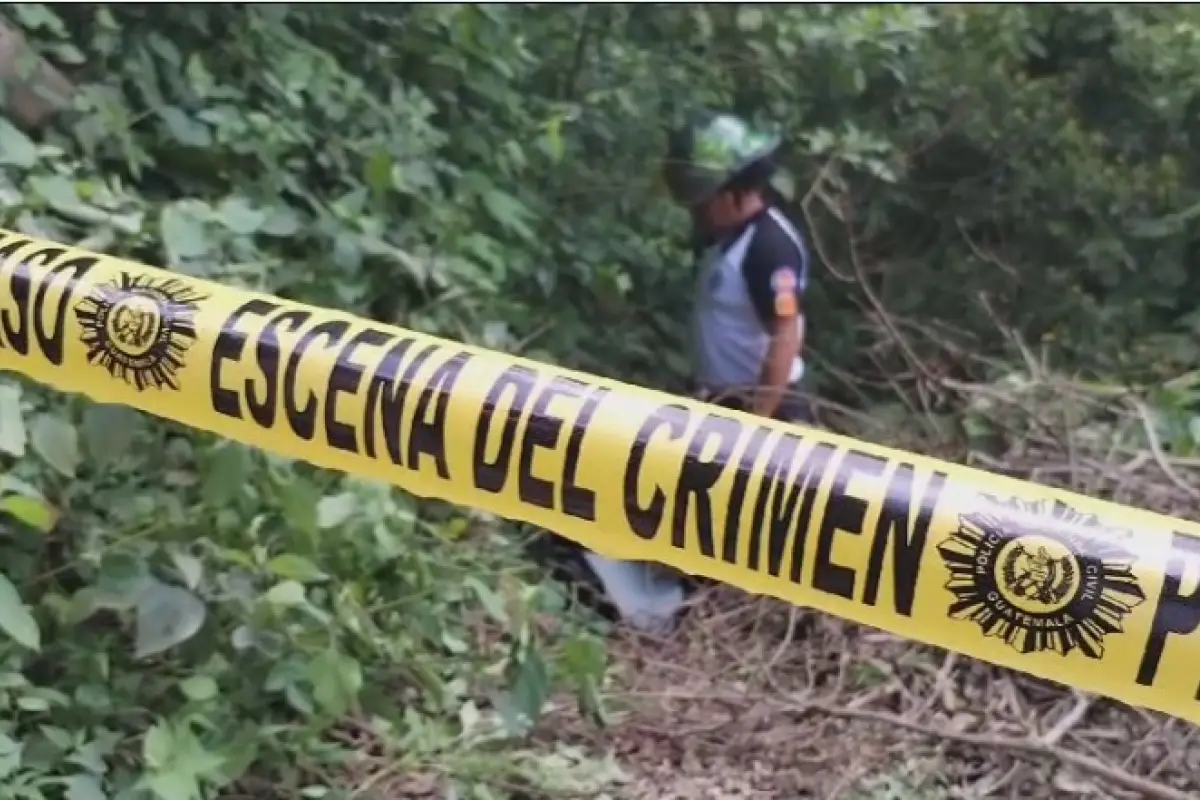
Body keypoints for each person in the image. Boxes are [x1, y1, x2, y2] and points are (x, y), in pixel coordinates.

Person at [579, 111, 815, 632]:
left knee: (743, 534)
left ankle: (731, 634)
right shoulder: (728, 242)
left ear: (735, 192)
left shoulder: (768, 247)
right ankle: (671, 617)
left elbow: (785, 334)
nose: (700, 213)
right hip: (719, 401)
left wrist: (758, 418)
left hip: (760, 407)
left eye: (706, 200)